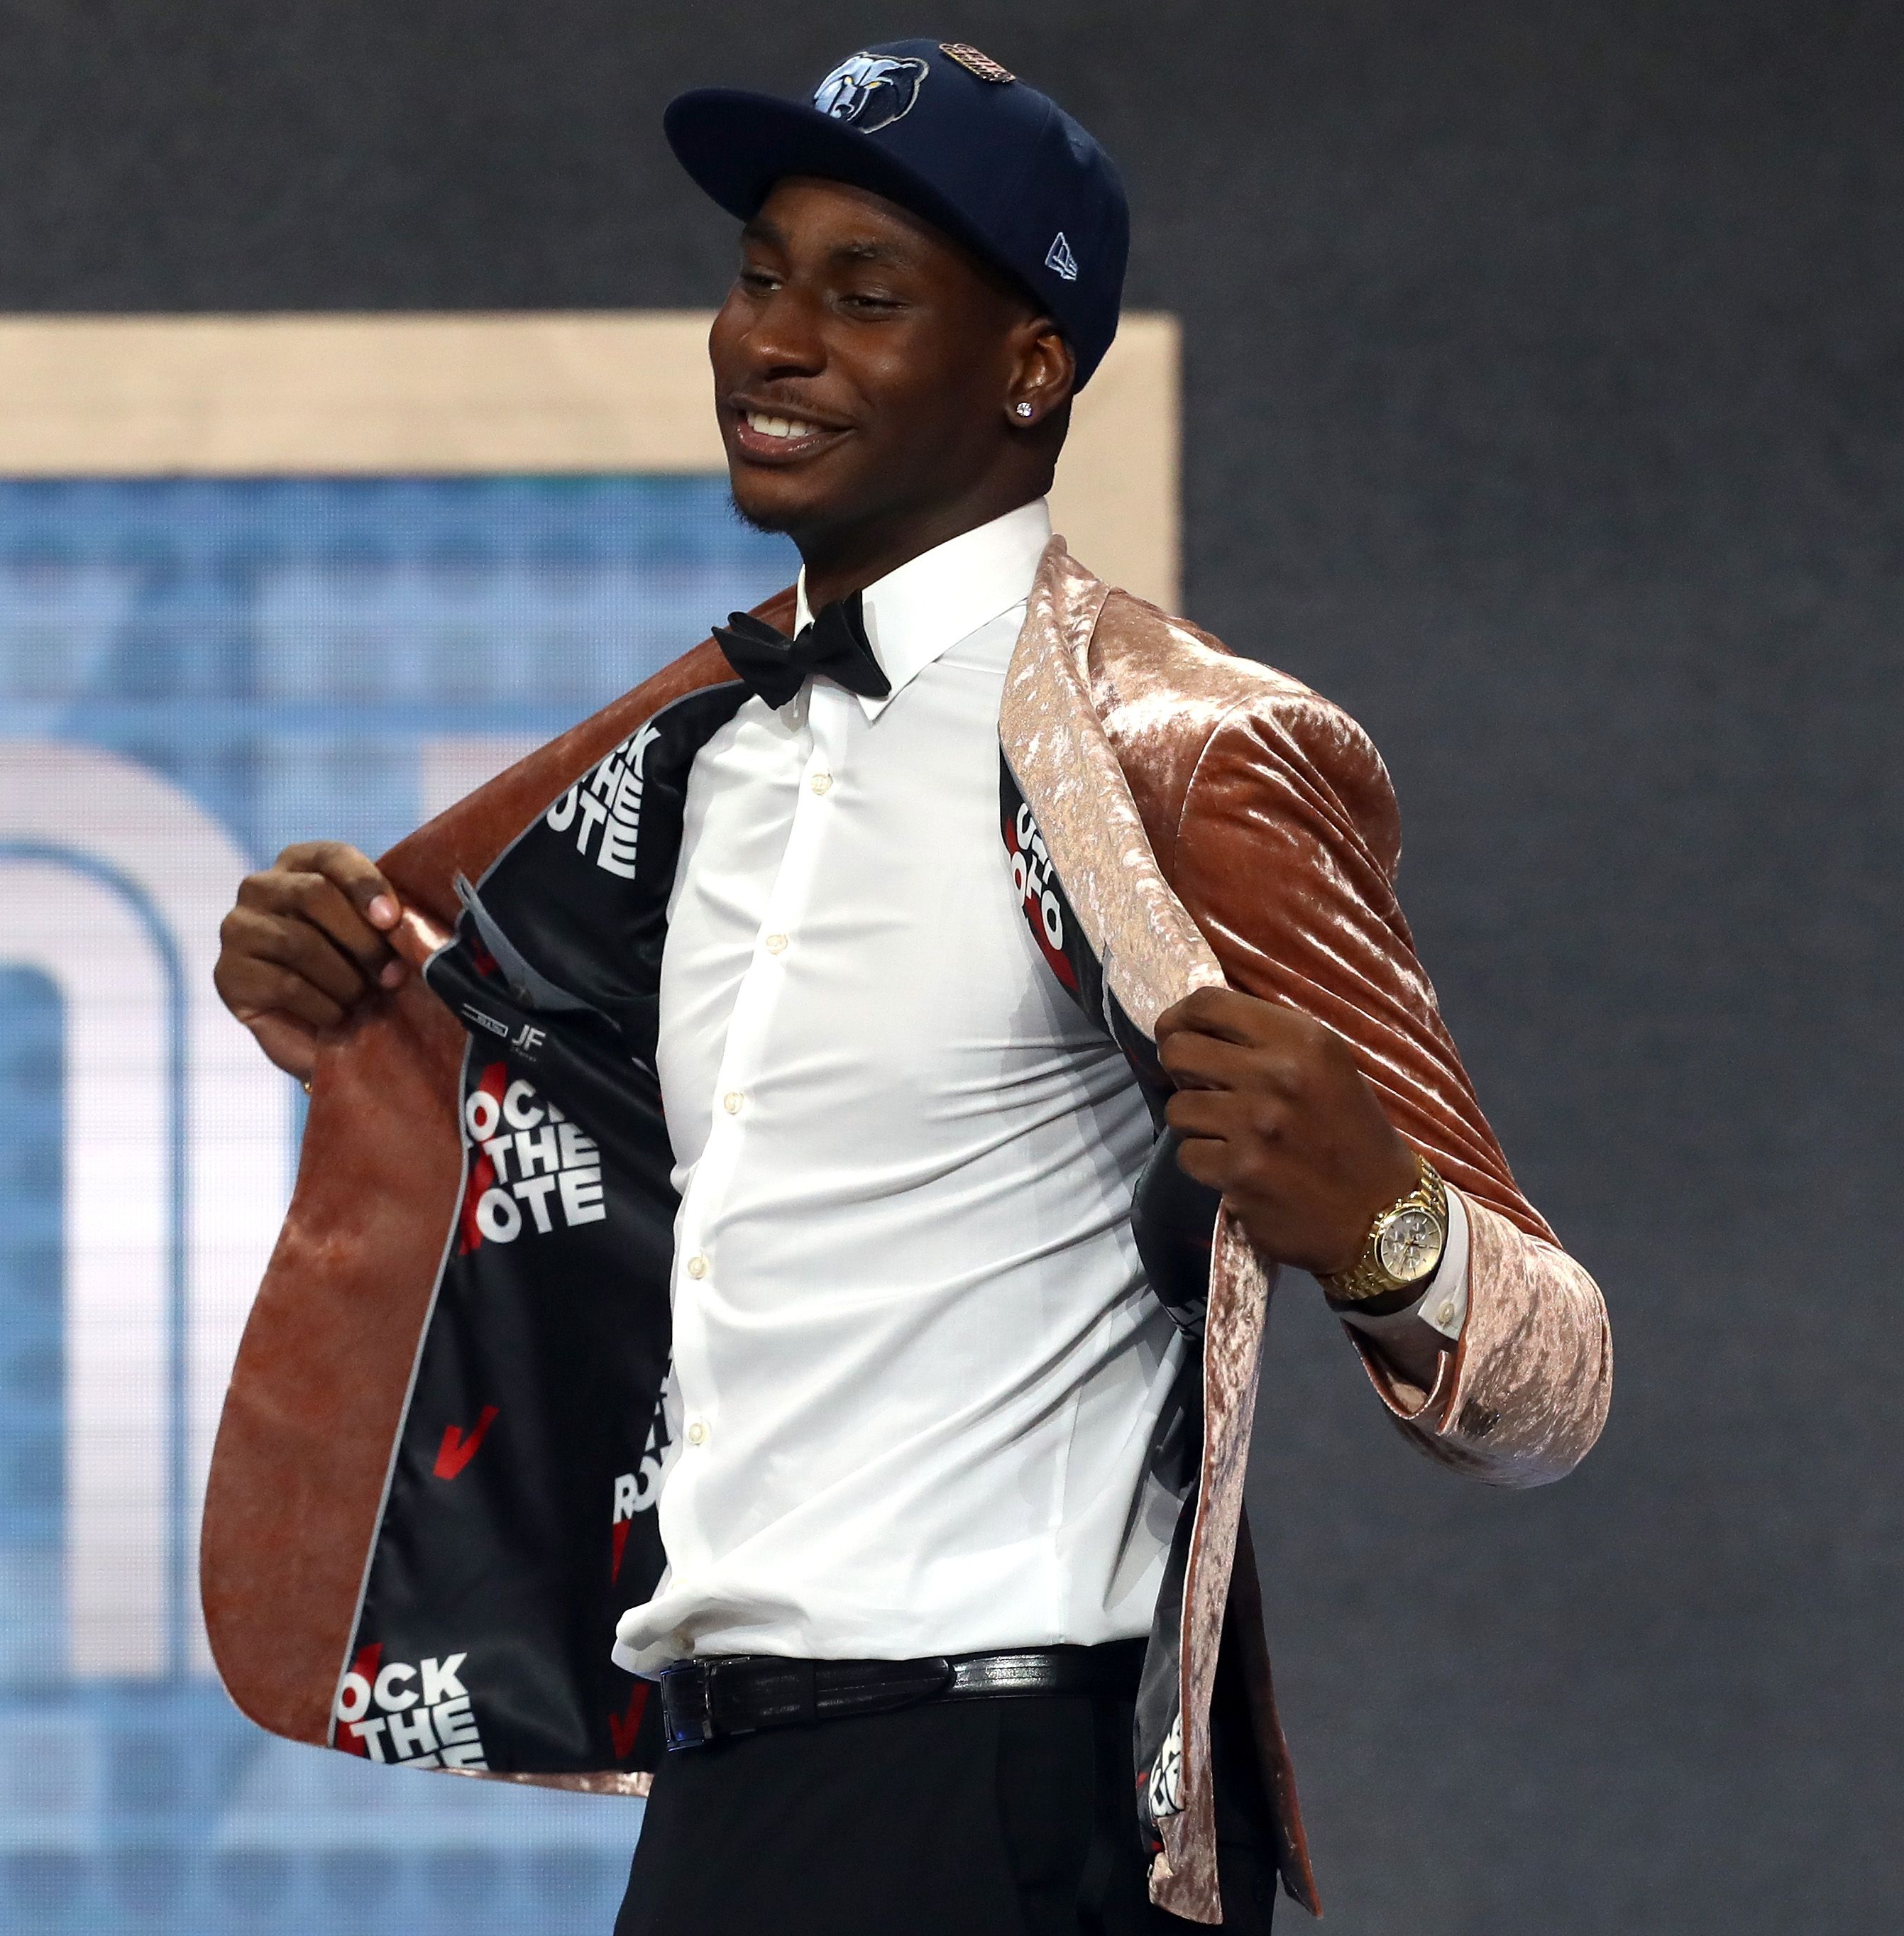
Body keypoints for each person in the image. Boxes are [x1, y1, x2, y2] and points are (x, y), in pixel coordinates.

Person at [201, 38, 1611, 1933]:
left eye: (862, 296)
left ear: (1032, 367)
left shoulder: (1193, 756)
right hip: (718, 1796)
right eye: (759, 275)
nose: (767, 340)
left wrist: (1382, 1228)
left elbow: (1553, 1387)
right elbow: (533, 1104)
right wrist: (346, 985)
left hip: (1013, 1803)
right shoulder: (693, 762)